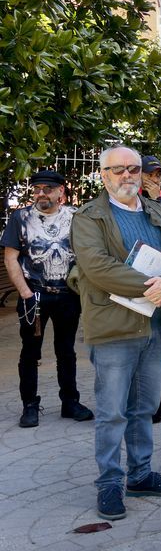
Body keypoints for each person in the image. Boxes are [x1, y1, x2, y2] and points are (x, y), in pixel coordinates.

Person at [70, 145, 161, 521]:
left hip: (157, 325)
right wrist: (153, 286)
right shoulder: (88, 217)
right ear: (103, 175)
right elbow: (97, 267)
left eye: (134, 168)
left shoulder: (159, 211)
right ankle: (110, 482)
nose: (127, 175)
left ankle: (139, 475)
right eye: (118, 169)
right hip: (114, 328)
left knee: (144, 408)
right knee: (112, 412)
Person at [3, 169, 93, 427]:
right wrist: (26, 293)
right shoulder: (21, 218)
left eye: (47, 189)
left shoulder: (76, 217)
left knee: (66, 351)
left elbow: (88, 252)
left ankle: (70, 402)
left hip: (67, 295)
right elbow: (11, 258)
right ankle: (30, 405)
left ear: (60, 191)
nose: (41, 193)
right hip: (34, 294)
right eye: (37, 189)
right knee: (30, 352)